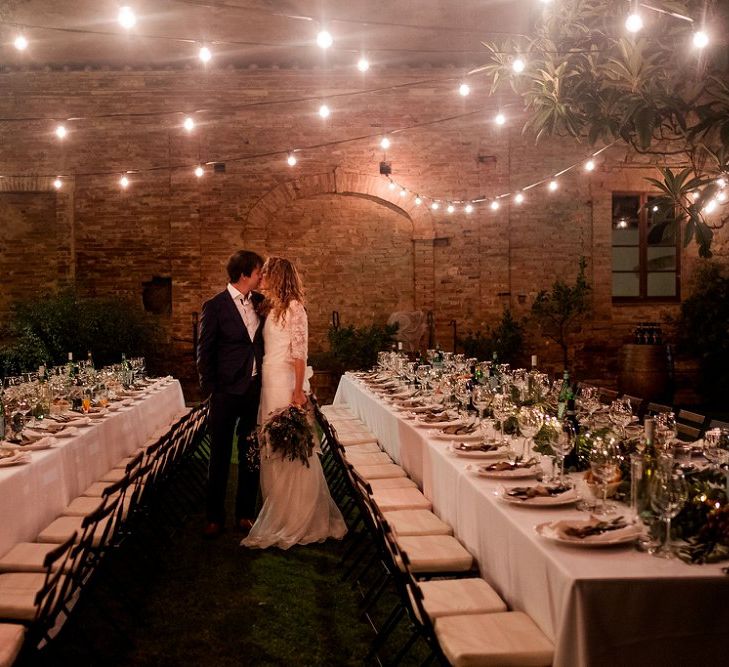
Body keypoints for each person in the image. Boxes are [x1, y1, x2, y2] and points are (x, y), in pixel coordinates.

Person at [241, 257, 347, 549]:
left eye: (266, 272)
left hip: (287, 383)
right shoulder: (269, 307)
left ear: (278, 276)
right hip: (268, 383)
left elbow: (300, 355)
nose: (261, 275)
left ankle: (298, 514)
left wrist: (298, 391)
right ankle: (277, 507)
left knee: (292, 448)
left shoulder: (295, 309)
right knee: (272, 446)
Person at [197, 249, 265, 538]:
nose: (261, 277)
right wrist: (211, 389)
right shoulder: (215, 306)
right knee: (220, 455)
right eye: (258, 272)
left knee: (250, 452)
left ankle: (245, 513)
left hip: (253, 389)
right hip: (225, 392)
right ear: (244, 274)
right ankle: (214, 516)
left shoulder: (260, 303)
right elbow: (204, 351)